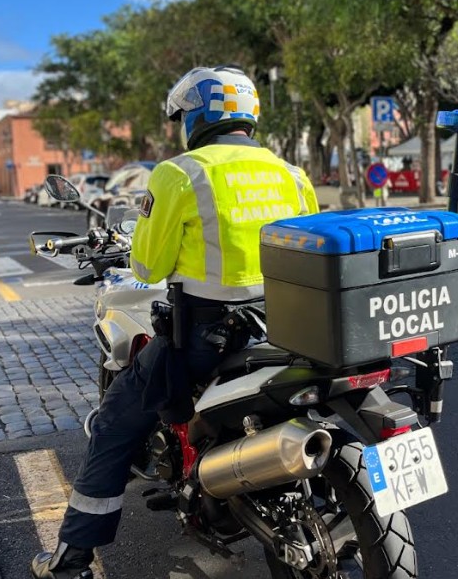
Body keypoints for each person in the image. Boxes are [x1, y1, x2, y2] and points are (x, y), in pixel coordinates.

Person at [30, 66, 319, 579]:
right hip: (286, 331)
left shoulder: (181, 173)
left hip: (206, 338)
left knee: (116, 421)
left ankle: (71, 560)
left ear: (197, 116)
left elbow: (147, 268)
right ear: (248, 114)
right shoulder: (292, 174)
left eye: (183, 116)